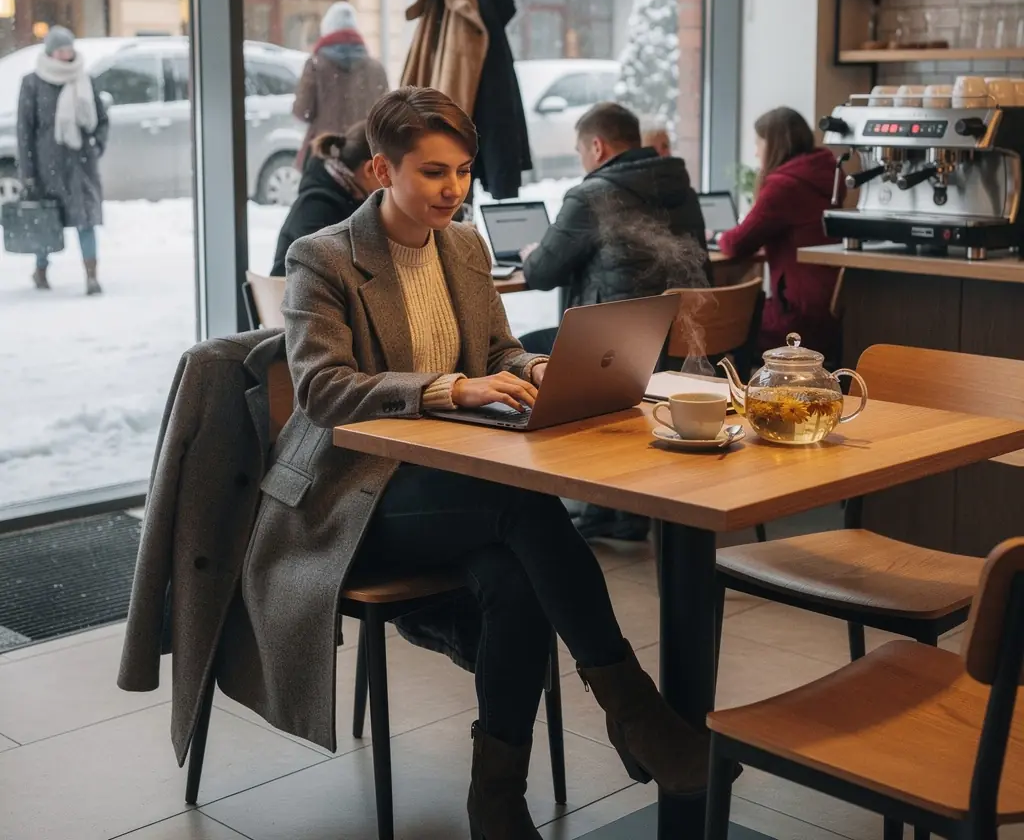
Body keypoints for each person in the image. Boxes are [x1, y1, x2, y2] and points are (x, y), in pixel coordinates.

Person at [280, 86, 710, 839]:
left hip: (456, 488)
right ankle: (634, 710)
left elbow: (498, 349)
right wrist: (451, 388)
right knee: (524, 505)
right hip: (360, 500)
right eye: (435, 173)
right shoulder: (323, 258)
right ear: (383, 170)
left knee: (515, 580)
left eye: (464, 171)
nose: (455, 190)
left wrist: (532, 368)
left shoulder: (465, 246)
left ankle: (497, 798)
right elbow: (320, 389)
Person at [519, 101, 708, 542]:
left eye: (581, 151)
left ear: (598, 147)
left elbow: (542, 272)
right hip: (677, 341)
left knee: (522, 351)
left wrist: (530, 254)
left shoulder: (592, 194)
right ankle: (618, 507)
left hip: (619, 348)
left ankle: (581, 496)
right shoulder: (679, 184)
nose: (584, 160)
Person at [718, 106, 843, 363]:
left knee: (725, 327)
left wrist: (717, 236)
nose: (755, 151)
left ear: (773, 144)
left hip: (797, 317)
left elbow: (736, 244)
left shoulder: (784, 186)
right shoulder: (828, 173)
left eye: (758, 143)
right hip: (830, 310)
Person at [17, 25, 109, 295]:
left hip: (81, 166)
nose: (66, 54)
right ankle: (41, 270)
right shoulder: (32, 82)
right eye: (60, 50)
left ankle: (91, 276)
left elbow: (102, 120)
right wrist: (29, 173)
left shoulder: (85, 79)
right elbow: (25, 130)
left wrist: (96, 144)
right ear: (50, 52)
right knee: (47, 222)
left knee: (86, 220)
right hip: (48, 166)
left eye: (69, 49)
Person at [270, 121, 378, 277]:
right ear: (370, 169)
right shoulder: (317, 206)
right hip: (299, 298)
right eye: (386, 170)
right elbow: (333, 274)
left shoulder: (341, 196)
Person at [292, 2, 389, 165]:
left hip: (326, 154)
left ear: (327, 30)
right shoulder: (376, 69)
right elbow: (386, 116)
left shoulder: (316, 65)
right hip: (366, 157)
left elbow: (302, 111)